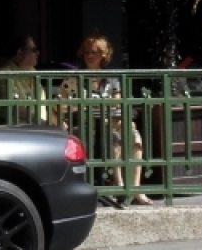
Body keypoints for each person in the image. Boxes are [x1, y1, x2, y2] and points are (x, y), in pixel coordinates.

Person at [61, 35, 152, 206]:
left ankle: (137, 188)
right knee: (114, 139)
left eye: (94, 52)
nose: (89, 55)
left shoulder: (110, 78)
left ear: (103, 55)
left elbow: (117, 103)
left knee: (135, 138)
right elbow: (66, 106)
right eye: (86, 52)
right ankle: (119, 186)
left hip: (111, 120)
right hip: (88, 124)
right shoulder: (74, 78)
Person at [0, 34, 47, 124]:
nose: (38, 53)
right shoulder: (4, 74)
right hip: (18, 133)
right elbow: (14, 107)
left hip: (41, 130)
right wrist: (44, 123)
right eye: (34, 50)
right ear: (20, 53)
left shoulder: (33, 72)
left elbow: (42, 106)